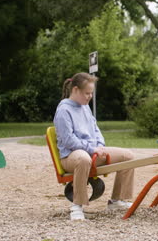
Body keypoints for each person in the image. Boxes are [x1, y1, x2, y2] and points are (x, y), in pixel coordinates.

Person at [54, 72, 135, 221]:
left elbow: (95, 129)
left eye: (91, 93)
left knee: (128, 156)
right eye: (87, 93)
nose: (90, 96)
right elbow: (68, 140)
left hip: (92, 153)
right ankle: (77, 206)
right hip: (72, 157)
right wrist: (92, 149)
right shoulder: (63, 110)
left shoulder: (85, 107)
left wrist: (100, 146)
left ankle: (117, 200)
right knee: (83, 159)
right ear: (75, 90)